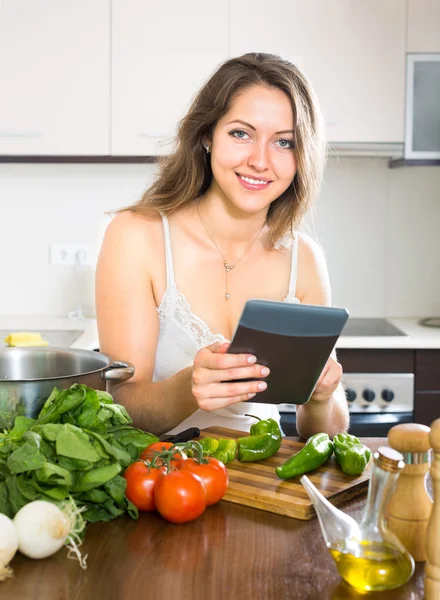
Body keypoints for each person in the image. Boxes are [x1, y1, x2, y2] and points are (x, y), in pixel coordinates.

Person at [95, 52, 349, 439]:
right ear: (206, 137)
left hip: (263, 488)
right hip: (165, 481)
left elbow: (326, 434)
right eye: (241, 133)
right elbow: (119, 407)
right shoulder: (136, 236)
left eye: (284, 142)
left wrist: (322, 399)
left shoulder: (306, 259)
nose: (260, 161)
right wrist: (189, 389)